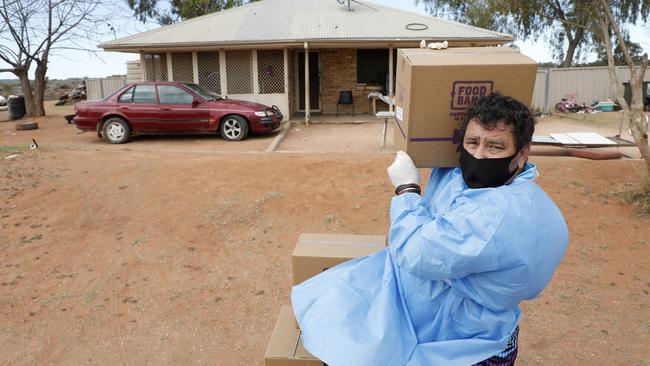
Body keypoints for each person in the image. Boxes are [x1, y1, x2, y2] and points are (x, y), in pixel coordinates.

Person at [291, 93, 569, 366]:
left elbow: (416, 254)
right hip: (472, 317)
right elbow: (454, 188)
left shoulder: (497, 215)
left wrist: (407, 189)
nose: (479, 155)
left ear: (521, 154)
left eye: (495, 146)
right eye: (472, 142)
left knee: (349, 329)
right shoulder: (521, 193)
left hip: (460, 337)